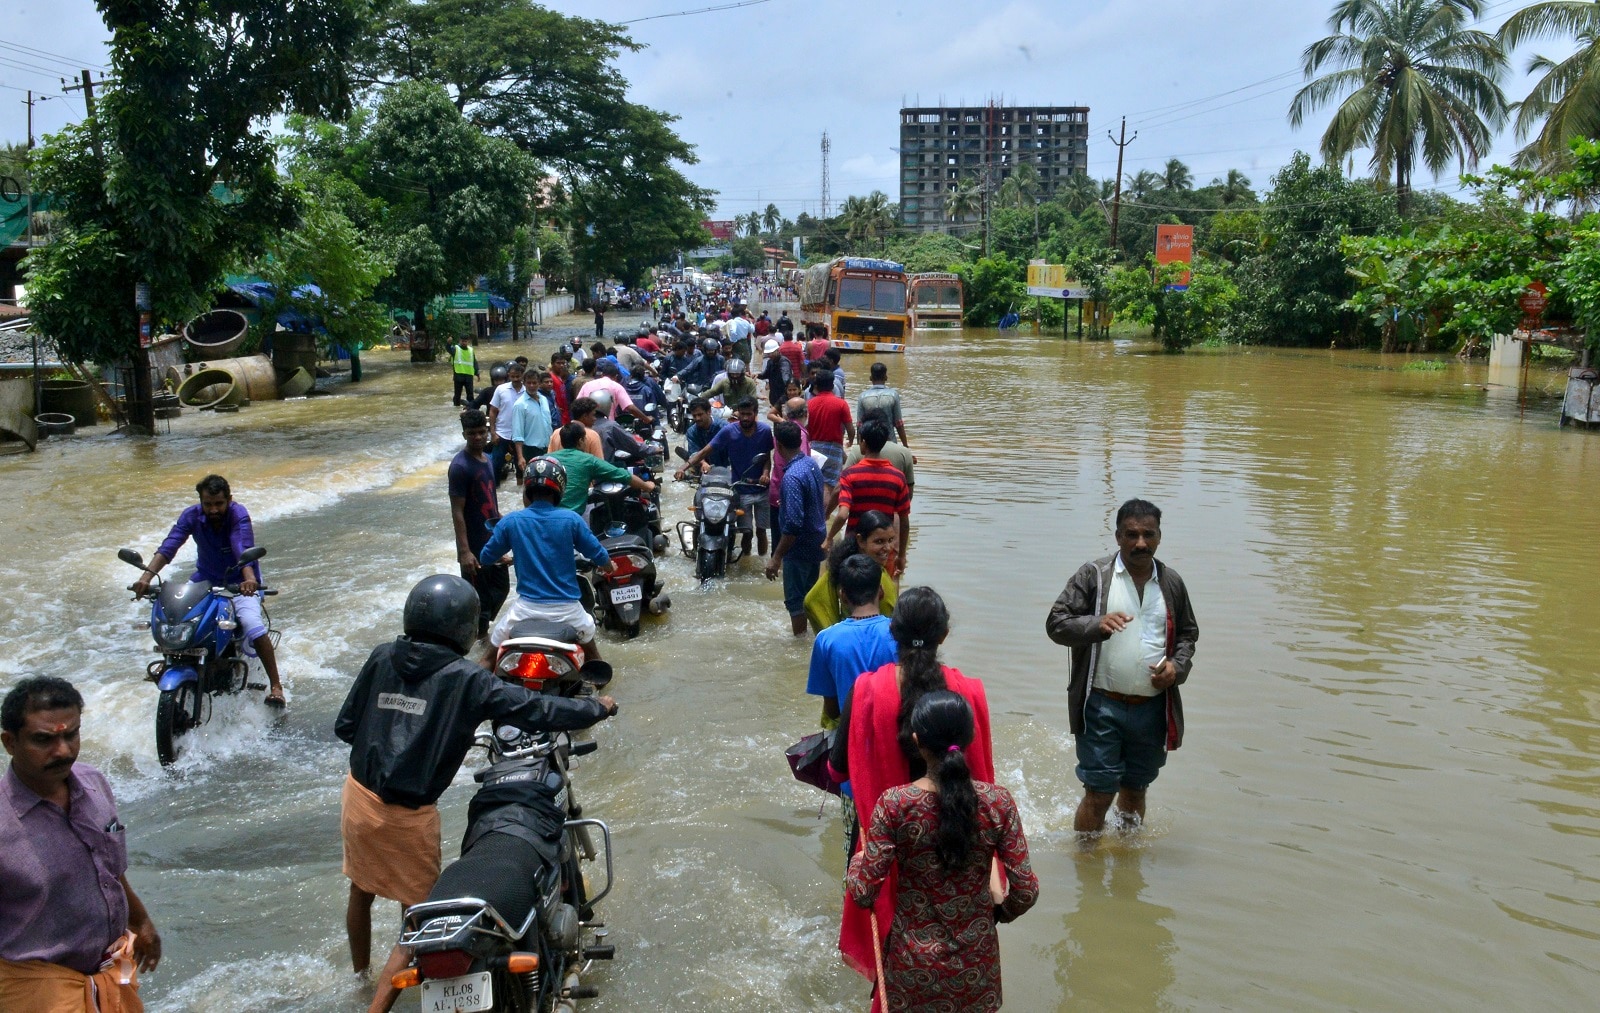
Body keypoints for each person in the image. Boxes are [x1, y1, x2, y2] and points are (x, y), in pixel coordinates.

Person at [336, 575, 617, 1013]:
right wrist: (594, 707)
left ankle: (359, 978)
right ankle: (376, 1008)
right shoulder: (464, 678)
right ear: (465, 629)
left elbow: (346, 726)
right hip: (409, 815)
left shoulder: (381, 657)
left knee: (361, 891)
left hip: (358, 797)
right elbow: (535, 708)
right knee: (425, 924)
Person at [828, 587, 996, 990]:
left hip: (886, 852)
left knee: (890, 964)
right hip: (958, 843)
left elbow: (837, 772)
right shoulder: (969, 691)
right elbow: (984, 778)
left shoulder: (866, 690)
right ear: (944, 635)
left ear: (893, 632)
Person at [846, 691, 1037, 1013]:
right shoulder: (997, 802)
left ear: (917, 740)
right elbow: (1026, 890)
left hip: (913, 966)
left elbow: (864, 892)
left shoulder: (895, 804)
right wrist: (1000, 914)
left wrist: (858, 861)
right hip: (976, 963)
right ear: (971, 736)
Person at [0, 676, 160, 1011]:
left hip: (109, 972)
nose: (63, 751)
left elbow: (106, 868)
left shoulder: (94, 784)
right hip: (34, 991)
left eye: (70, 734)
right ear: (9, 742)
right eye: (44, 740)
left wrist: (140, 921)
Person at [1044, 498, 1200, 838]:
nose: (1140, 543)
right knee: (1099, 794)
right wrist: (1097, 624)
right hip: (1101, 706)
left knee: (1135, 791)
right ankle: (1086, 869)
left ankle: (1127, 863)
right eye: (1131, 534)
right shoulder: (1094, 576)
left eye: (1148, 535)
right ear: (1117, 537)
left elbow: (1188, 634)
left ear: (1159, 537)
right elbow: (1056, 624)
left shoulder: (1171, 583)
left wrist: (1177, 667)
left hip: (1152, 709)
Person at [131, 474, 286, 707]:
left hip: (239, 581)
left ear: (229, 500)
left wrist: (250, 580)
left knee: (252, 624)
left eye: (219, 504)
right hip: (205, 579)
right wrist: (145, 578)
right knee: (177, 613)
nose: (213, 510)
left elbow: (241, 546)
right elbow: (169, 546)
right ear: (200, 502)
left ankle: (276, 686)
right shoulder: (191, 516)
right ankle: (172, 661)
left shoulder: (238, 514)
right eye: (208, 504)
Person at [478, 457, 613, 664]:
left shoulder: (511, 521)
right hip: (568, 610)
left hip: (525, 609)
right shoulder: (571, 520)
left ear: (528, 490)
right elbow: (600, 555)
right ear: (560, 488)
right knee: (596, 661)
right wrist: (608, 567)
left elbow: (486, 556)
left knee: (488, 659)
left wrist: (503, 554)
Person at [806, 554, 897, 729]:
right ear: (881, 591)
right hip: (891, 734)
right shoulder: (899, 632)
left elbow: (832, 711)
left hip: (850, 737)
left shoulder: (826, 639)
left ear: (843, 596)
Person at [678, 399, 771, 557]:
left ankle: (762, 564)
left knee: (761, 531)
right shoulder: (728, 431)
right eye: (743, 414)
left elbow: (767, 456)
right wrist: (683, 468)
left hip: (761, 488)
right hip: (739, 488)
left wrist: (766, 474)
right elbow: (703, 451)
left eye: (749, 414)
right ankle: (746, 558)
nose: (746, 418)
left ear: (755, 414)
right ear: (738, 414)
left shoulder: (765, 431)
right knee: (746, 532)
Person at [448, 410, 508, 642]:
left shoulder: (489, 460)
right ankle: (477, 643)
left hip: (491, 539)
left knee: (501, 588)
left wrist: (504, 528)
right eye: (472, 433)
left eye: (482, 432)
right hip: (473, 544)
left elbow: (490, 501)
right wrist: (464, 551)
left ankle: (476, 635)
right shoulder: (460, 467)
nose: (478, 437)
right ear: (464, 434)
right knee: (479, 602)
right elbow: (457, 511)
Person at [764, 421, 826, 636]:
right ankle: (812, 640)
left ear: (778, 446)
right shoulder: (811, 464)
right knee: (809, 598)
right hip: (816, 542)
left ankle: (800, 643)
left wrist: (776, 557)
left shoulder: (791, 478)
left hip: (798, 549)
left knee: (796, 602)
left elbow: (793, 524)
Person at [827, 420, 910, 570]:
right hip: (883, 548)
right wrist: (902, 555)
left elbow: (842, 515)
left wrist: (828, 538)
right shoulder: (898, 477)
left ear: (863, 443)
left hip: (855, 547)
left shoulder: (850, 475)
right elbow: (904, 521)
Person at [804, 510, 900, 633]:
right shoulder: (850, 572)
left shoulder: (872, 567)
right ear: (860, 541)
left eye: (890, 540)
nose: (887, 548)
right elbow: (812, 601)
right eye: (879, 542)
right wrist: (834, 634)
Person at [549, 423, 656, 513]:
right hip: (573, 515)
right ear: (581, 441)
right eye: (585, 438)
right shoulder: (588, 460)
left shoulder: (547, 459)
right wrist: (647, 485)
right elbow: (624, 476)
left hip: (543, 515)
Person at [805, 369, 855, 491]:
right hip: (834, 448)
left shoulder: (809, 404)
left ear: (816, 385)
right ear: (833, 385)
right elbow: (850, 428)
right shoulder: (841, 404)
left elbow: (804, 429)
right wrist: (851, 441)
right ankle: (825, 510)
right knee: (830, 487)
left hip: (813, 448)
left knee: (813, 485)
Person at [485, 361, 527, 487]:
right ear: (508, 375)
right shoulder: (501, 389)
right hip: (501, 433)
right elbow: (492, 411)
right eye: (512, 376)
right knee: (496, 463)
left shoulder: (527, 391)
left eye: (518, 376)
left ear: (522, 376)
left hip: (521, 435)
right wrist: (493, 433)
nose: (515, 379)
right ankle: (495, 489)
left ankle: (520, 489)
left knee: (521, 466)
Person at [511, 371, 554, 478]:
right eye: (529, 383)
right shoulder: (520, 405)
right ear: (524, 384)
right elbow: (517, 433)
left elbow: (549, 424)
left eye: (534, 383)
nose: (531, 386)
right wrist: (520, 457)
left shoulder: (544, 399)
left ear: (539, 383)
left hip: (547, 448)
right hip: (530, 450)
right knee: (531, 484)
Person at [857, 363, 909, 446]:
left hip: (870, 445)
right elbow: (899, 424)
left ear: (871, 378)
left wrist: (859, 446)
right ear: (886, 377)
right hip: (890, 443)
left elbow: (860, 425)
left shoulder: (863, 396)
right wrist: (905, 446)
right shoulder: (893, 395)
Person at [683, 397, 725, 462]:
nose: (697, 418)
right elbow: (694, 453)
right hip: (703, 469)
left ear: (709, 412)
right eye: (694, 416)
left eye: (700, 414)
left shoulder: (723, 427)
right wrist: (703, 463)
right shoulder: (691, 432)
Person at [448, 334, 478, 407]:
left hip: (469, 376)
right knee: (457, 395)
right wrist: (448, 344)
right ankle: (456, 408)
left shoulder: (471, 350)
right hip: (458, 375)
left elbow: (474, 362)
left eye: (465, 341)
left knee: (470, 395)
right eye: (462, 341)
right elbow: (449, 349)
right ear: (459, 341)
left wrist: (477, 372)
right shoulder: (455, 349)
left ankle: (471, 408)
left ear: (468, 341)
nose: (464, 343)